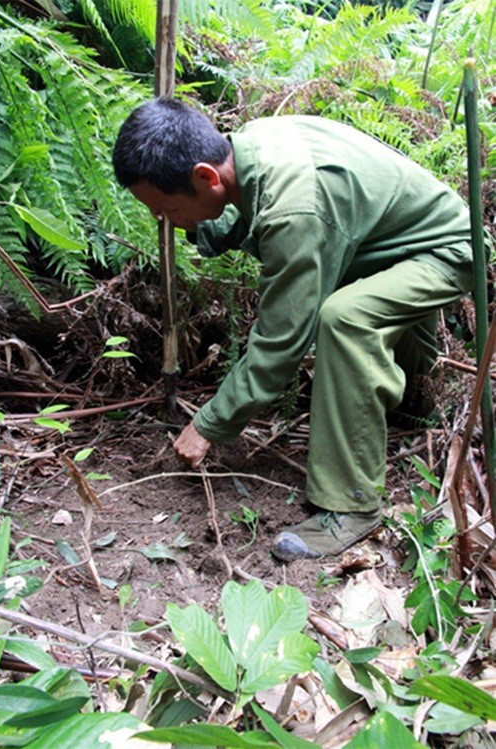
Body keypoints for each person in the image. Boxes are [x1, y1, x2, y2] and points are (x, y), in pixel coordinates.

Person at [112, 96, 479, 562]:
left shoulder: (294, 210)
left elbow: (282, 342)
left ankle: (352, 507)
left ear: (205, 177)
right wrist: (208, 228)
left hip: (447, 251)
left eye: (164, 208)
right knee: (358, 306)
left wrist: (209, 425)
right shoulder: (250, 148)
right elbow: (255, 212)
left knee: (346, 319)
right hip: (392, 244)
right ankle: (412, 407)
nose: (161, 220)